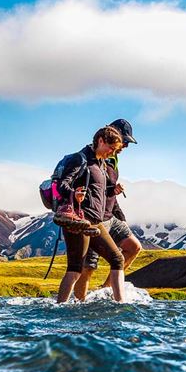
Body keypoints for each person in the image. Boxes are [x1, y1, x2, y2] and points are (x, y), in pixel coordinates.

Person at [54, 126, 126, 303]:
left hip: (95, 221)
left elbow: (96, 191)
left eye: (115, 150)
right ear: (101, 141)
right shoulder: (81, 159)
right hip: (78, 220)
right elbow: (63, 185)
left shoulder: (101, 163)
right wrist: (74, 194)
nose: (112, 152)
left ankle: (121, 305)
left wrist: (112, 190)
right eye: (111, 148)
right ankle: (59, 307)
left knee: (117, 259)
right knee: (75, 268)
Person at [73, 118, 143, 299]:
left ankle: (105, 290)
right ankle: (79, 305)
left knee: (133, 247)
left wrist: (115, 193)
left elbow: (104, 189)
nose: (126, 146)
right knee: (87, 267)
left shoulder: (113, 158)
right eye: (125, 141)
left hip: (111, 215)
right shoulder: (91, 156)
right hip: (94, 219)